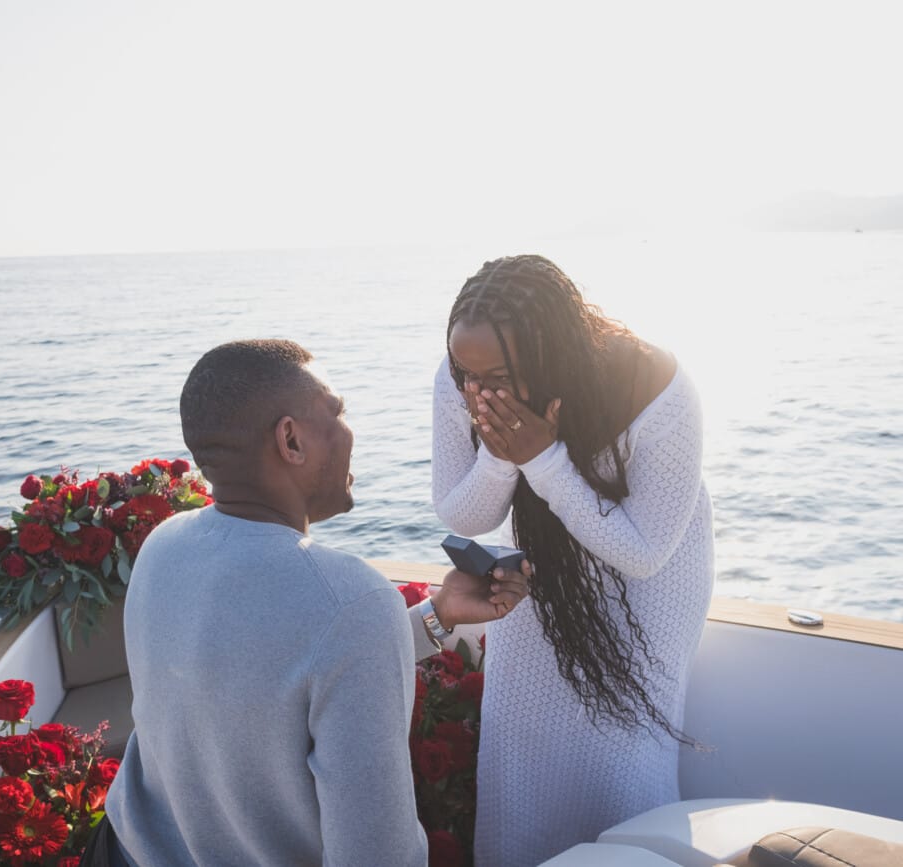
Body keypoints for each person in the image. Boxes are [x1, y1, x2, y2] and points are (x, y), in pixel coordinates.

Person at [97, 339, 532, 867]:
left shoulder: (164, 546)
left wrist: (436, 616)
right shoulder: (350, 600)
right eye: (338, 412)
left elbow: (263, 669)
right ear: (291, 440)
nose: (351, 430)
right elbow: (377, 856)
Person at [432, 255, 715, 866]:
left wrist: (543, 459)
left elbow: (643, 554)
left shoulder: (654, 384)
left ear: (550, 350)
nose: (479, 389)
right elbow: (463, 514)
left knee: (621, 752)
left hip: (650, 577)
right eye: (466, 372)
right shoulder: (465, 375)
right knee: (522, 750)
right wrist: (504, 455)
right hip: (543, 571)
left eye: (498, 373)